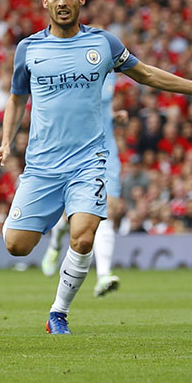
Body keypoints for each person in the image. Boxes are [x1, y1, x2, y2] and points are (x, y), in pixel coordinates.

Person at [0, 0, 192, 334]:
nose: (62, 2)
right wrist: (6, 143)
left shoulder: (103, 43)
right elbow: (16, 99)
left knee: (85, 234)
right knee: (16, 246)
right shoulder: (29, 49)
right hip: (41, 166)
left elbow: (147, 74)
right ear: (44, 2)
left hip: (89, 160)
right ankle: (54, 232)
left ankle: (58, 313)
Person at [41, 71, 128, 298]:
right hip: (77, 155)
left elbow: (99, 107)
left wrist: (113, 117)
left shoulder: (109, 75)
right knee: (71, 217)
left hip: (106, 155)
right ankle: (55, 244)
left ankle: (103, 276)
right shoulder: (71, 75)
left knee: (106, 213)